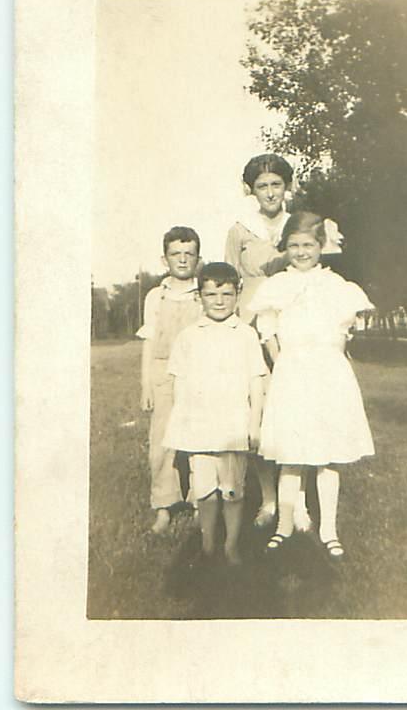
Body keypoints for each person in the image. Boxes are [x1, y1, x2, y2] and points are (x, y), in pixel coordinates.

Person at [249, 212, 375, 561]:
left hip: (328, 374)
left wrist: (334, 355)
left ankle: (329, 529)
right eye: (294, 246)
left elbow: (348, 332)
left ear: (322, 246)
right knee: (291, 455)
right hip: (292, 373)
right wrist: (282, 366)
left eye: (308, 245)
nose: (301, 252)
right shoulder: (274, 287)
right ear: (284, 248)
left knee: (328, 456)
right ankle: (284, 526)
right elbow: (269, 333)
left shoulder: (337, 287)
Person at [224, 154, 312, 531]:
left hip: (295, 329)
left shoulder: (302, 226)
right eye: (262, 186)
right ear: (251, 190)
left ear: (287, 186)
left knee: (300, 412)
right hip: (252, 330)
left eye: (277, 184)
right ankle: (269, 500)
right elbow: (229, 280)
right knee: (257, 413)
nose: (270, 192)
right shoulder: (240, 229)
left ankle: (301, 501)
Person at [162, 263, 267, 566]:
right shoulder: (188, 336)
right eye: (211, 294)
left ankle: (231, 546)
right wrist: (184, 424)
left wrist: (254, 423)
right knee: (205, 490)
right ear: (200, 296)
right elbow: (179, 383)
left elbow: (256, 382)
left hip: (234, 425)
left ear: (238, 294)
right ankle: (208, 543)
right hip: (199, 426)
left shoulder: (246, 335)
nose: (219, 301)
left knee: (233, 490)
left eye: (226, 293)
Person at [137, 226, 202, 534]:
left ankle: (202, 501)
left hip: (198, 374)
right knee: (162, 441)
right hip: (163, 372)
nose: (182, 259)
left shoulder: (204, 293)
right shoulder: (155, 296)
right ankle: (163, 506)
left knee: (201, 437)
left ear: (198, 259)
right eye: (175, 254)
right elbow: (149, 341)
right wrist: (146, 384)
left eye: (189, 254)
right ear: (165, 259)